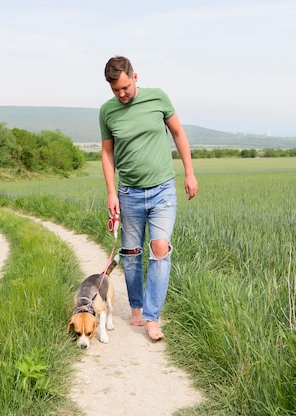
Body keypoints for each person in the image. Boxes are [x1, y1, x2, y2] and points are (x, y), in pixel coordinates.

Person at [99, 56, 198, 341]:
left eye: (125, 87)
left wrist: (189, 173)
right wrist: (110, 192)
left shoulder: (158, 98)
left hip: (162, 190)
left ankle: (153, 318)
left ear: (135, 77)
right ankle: (137, 307)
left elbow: (178, 133)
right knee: (131, 255)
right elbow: (107, 153)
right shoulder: (107, 112)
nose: (121, 94)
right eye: (115, 90)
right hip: (128, 192)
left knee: (159, 248)